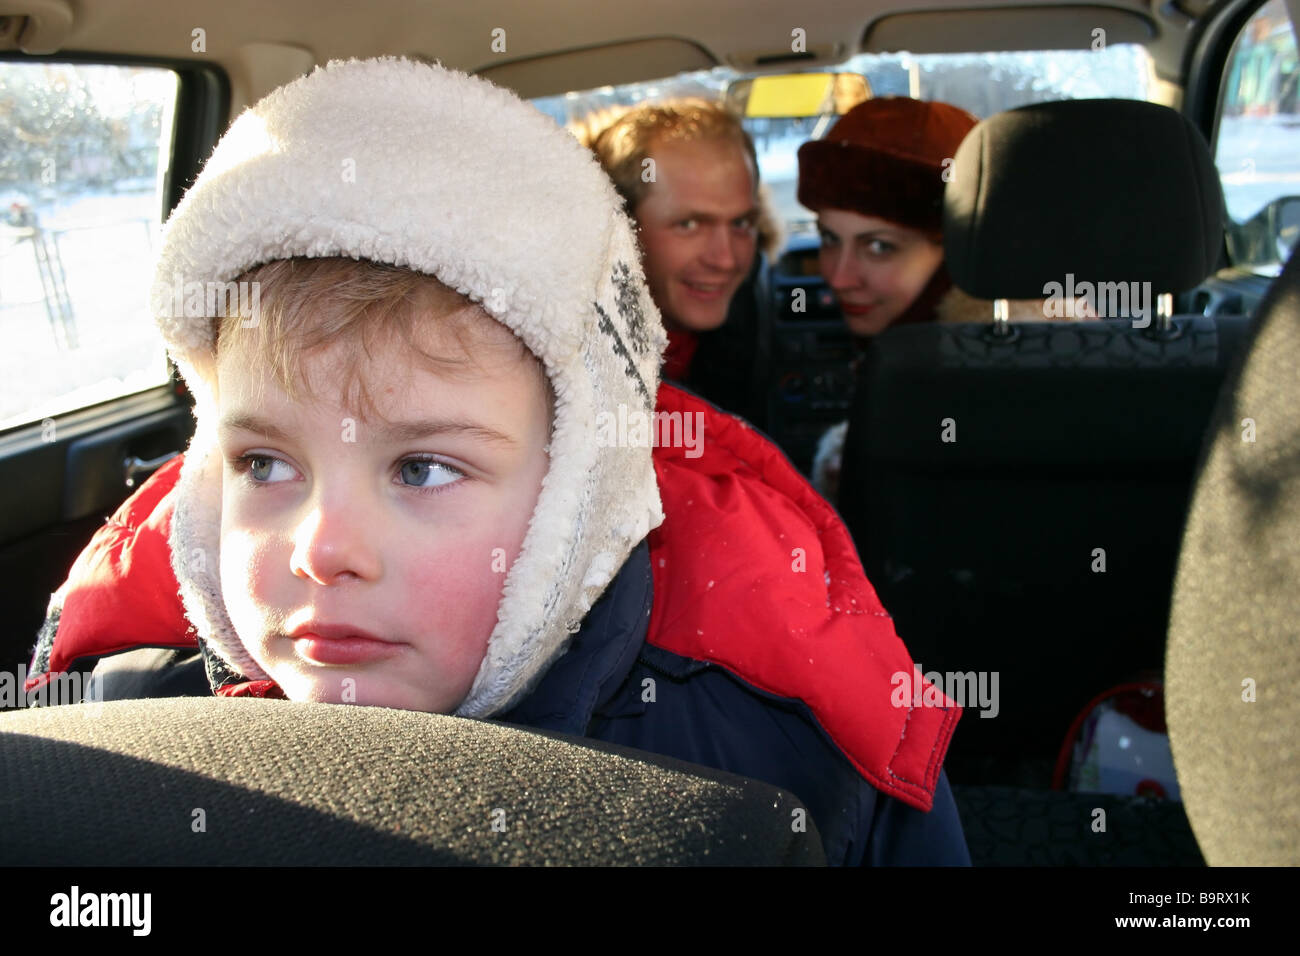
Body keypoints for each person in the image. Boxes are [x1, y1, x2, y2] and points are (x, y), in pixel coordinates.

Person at [25, 58, 969, 865]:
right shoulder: (117, 720)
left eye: (422, 469)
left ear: (578, 496)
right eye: (265, 464)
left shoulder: (776, 750)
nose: (325, 550)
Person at [797, 97, 1057, 498]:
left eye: (880, 247)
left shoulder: (986, 399)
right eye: (830, 238)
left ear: (960, 254)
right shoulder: (1063, 352)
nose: (838, 277)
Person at [585, 100, 777, 424]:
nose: (726, 259)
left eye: (741, 223)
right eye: (689, 225)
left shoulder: (751, 306)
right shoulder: (571, 360)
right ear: (620, 230)